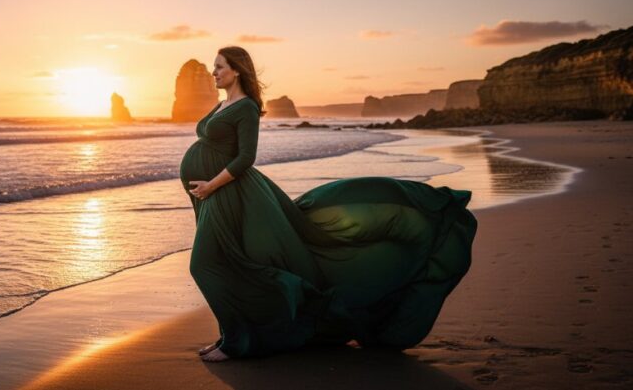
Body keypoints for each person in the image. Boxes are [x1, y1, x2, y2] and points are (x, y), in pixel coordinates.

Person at [178, 46, 478, 362]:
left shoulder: (247, 107)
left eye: (219, 66)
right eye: (214, 67)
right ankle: (230, 336)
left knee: (205, 264)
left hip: (228, 193)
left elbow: (245, 158)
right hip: (213, 195)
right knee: (224, 262)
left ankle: (236, 342)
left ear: (237, 69)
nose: (214, 72)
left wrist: (211, 185)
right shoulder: (223, 104)